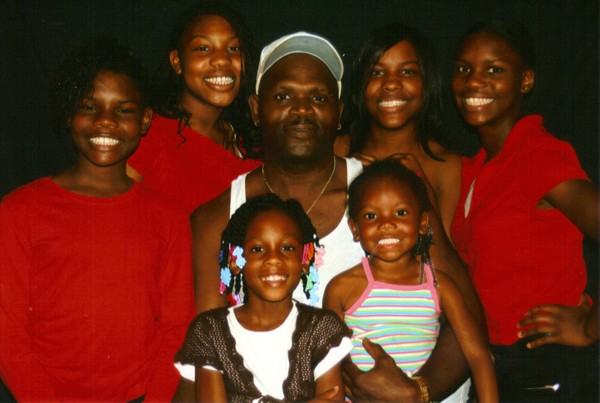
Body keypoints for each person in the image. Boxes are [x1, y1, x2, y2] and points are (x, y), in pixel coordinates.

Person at [191, 31, 482, 402]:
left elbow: (468, 318)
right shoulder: (217, 219)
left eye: (318, 97)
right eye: (282, 96)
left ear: (340, 112)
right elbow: (212, 356)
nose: (301, 109)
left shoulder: (387, 194)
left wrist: (418, 391)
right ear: (255, 108)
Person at [0, 38, 195, 401]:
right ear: (68, 114)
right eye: (90, 106)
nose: (105, 121)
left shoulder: (169, 217)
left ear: (145, 120)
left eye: (123, 110)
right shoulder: (19, 210)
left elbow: (176, 329)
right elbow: (8, 336)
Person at [450, 18, 599, 401]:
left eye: (494, 70)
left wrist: (590, 327)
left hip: (547, 366)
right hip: (497, 368)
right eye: (464, 69)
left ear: (525, 81)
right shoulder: (473, 168)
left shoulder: (537, 155)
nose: (474, 81)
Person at [324, 158, 497, 402]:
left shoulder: (440, 286)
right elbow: (329, 366)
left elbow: (479, 356)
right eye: (371, 215)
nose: (387, 224)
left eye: (401, 212)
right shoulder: (341, 288)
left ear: (423, 223)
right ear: (355, 228)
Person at [177, 193, 352, 402]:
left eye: (287, 248)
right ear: (236, 260)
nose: (273, 259)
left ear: (305, 258)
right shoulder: (209, 330)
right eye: (258, 249)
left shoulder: (323, 329)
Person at [127, 0, 262, 215]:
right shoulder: (148, 134)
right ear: (177, 62)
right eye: (203, 48)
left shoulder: (251, 142)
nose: (222, 60)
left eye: (234, 48)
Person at [334, 23, 461, 236]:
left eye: (407, 71)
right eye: (376, 72)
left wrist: (420, 187)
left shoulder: (445, 166)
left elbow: (445, 255)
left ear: (427, 82)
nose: (391, 83)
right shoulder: (337, 150)